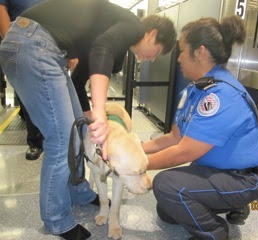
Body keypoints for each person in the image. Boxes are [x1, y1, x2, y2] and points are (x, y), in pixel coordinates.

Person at [0, 0, 176, 239]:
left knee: (75, 132)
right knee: (62, 141)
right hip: (34, 43)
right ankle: (56, 219)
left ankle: (79, 191)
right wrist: (101, 113)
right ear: (152, 34)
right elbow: (101, 48)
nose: (152, 59)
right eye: (158, 52)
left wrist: (86, 116)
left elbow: (78, 79)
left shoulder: (110, 28)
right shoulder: (133, 26)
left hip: (44, 48)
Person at [142, 16, 258, 240]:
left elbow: (186, 151)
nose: (179, 58)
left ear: (199, 52)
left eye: (182, 50)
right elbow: (174, 137)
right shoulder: (193, 90)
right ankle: (231, 204)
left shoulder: (220, 94)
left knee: (166, 185)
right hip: (215, 171)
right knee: (167, 210)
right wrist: (138, 148)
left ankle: (215, 233)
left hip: (242, 179)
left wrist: (136, 165)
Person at [0, 0, 45, 160]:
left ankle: (53, 136)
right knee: (28, 93)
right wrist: (10, 42)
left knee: (49, 90)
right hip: (20, 38)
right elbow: (2, 9)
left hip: (48, 38)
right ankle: (35, 141)